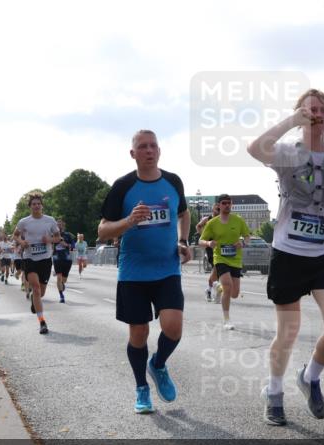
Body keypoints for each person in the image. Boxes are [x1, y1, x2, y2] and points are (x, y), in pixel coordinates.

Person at [247, 88, 324, 426]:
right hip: (288, 252)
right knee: (288, 332)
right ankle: (274, 391)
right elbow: (254, 149)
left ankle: (310, 377)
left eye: (323, 109)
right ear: (300, 114)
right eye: (311, 109)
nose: (318, 114)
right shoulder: (286, 152)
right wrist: (290, 122)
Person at [99, 129, 192, 414]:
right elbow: (102, 231)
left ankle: (158, 364)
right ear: (133, 154)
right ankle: (141, 387)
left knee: (173, 327)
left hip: (167, 269)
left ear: (159, 151)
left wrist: (183, 241)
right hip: (133, 273)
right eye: (143, 146)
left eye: (153, 146)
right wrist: (128, 221)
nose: (149, 150)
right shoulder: (123, 186)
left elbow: (184, 213)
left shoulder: (173, 181)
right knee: (138, 333)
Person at [200, 194, 251, 330]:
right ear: (219, 205)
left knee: (234, 293)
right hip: (220, 258)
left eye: (229, 203)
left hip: (235, 259)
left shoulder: (238, 220)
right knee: (228, 285)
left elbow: (247, 237)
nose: (227, 205)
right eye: (224, 203)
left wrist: (242, 243)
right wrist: (209, 242)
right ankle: (227, 320)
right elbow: (201, 240)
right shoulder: (212, 222)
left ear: (231, 204)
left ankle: (219, 288)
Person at [14, 194, 62, 334]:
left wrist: (50, 239)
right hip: (30, 258)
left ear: (42, 205)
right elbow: (15, 235)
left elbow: (58, 237)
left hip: (45, 259)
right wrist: (22, 242)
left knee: (41, 291)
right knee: (35, 288)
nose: (36, 206)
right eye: (33, 204)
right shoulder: (24, 222)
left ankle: (35, 302)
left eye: (38, 204)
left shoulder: (50, 220)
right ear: (30, 206)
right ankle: (42, 321)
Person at [197, 204, 220, 301]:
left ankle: (210, 290)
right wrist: (203, 236)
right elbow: (198, 226)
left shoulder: (221, 220)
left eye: (219, 209)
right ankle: (211, 290)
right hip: (210, 246)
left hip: (219, 246)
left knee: (218, 270)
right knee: (217, 267)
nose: (218, 210)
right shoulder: (207, 219)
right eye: (217, 208)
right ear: (213, 209)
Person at [52, 218, 76, 303]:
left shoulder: (68, 235)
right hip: (56, 258)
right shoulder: (53, 235)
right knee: (59, 278)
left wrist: (64, 244)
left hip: (67, 259)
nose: (59, 226)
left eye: (60, 224)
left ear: (63, 226)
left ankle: (62, 284)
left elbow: (73, 247)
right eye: (57, 225)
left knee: (64, 279)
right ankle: (61, 296)